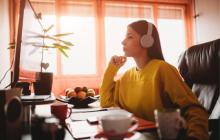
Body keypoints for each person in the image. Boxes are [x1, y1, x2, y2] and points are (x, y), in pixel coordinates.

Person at [100, 20, 208, 140]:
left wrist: (196, 136)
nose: (123, 41)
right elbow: (106, 102)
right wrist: (112, 69)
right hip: (136, 136)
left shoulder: (162, 69)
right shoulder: (127, 76)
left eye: (129, 37)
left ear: (146, 41)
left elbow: (193, 109)